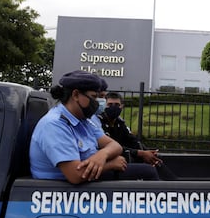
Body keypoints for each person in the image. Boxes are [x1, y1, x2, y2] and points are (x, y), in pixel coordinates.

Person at [30, 70, 158, 184]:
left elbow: (115, 146)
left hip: (88, 179)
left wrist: (101, 155)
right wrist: (109, 164)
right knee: (147, 173)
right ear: (75, 95)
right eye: (93, 97)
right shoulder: (55, 125)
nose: (97, 103)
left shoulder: (82, 119)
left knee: (148, 171)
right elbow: (76, 175)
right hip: (64, 189)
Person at [97, 92, 176, 180]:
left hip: (125, 158)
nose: (113, 107)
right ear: (105, 106)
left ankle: (175, 186)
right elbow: (113, 148)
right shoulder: (99, 123)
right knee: (148, 170)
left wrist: (147, 152)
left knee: (155, 159)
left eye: (117, 105)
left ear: (122, 106)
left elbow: (132, 141)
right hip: (111, 162)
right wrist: (141, 153)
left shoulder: (120, 123)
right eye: (110, 104)